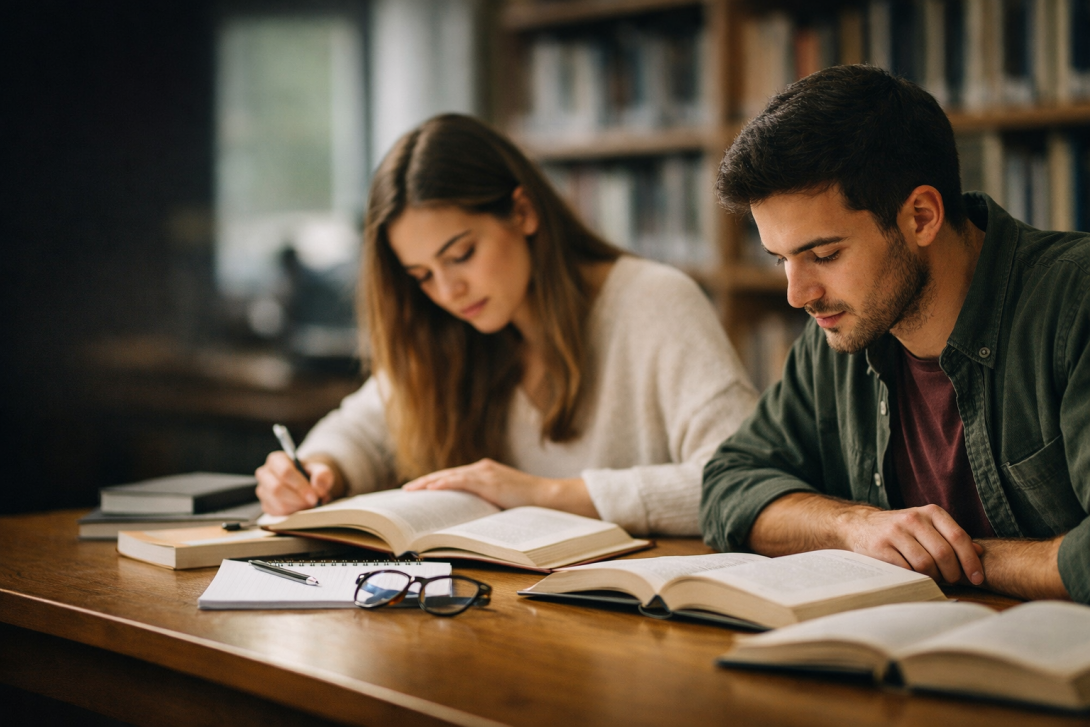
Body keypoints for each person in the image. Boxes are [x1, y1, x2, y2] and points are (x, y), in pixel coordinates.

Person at [257, 113, 757, 535]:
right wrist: (317, 470)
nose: (447, 292)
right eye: (421, 276)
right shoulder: (448, 329)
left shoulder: (654, 301)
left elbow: (745, 480)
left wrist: (548, 495)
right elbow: (361, 430)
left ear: (522, 211)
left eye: (461, 255)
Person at [701, 65, 1090, 603]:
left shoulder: (1077, 303)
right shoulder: (841, 329)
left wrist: (959, 557)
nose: (798, 295)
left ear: (922, 216)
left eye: (824, 254)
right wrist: (854, 527)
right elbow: (729, 484)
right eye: (782, 260)